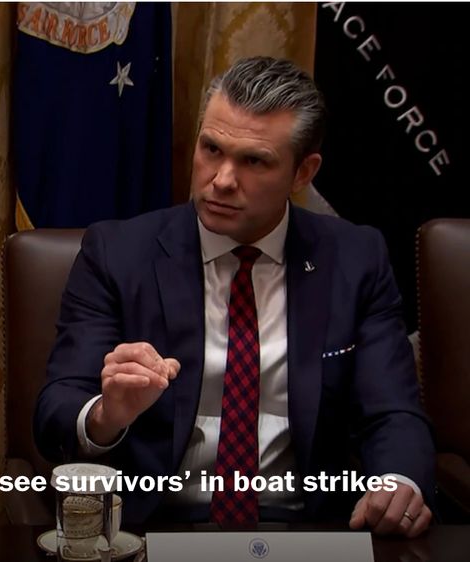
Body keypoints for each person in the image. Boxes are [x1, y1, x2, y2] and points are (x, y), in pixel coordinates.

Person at [34, 56, 434, 537]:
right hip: (155, 529)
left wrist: (398, 482)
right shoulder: (117, 254)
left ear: (303, 173)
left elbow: (392, 411)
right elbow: (57, 408)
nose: (221, 180)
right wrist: (106, 415)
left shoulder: (355, 258)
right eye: (211, 149)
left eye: (254, 161)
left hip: (308, 530)